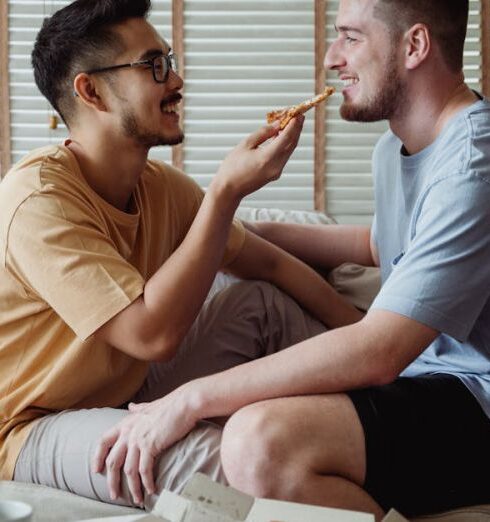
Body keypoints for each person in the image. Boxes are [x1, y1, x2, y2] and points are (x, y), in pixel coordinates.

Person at [94, 0, 490, 519]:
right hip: (425, 382)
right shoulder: (395, 150)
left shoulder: (473, 164)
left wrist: (188, 400)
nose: (330, 58)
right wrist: (243, 232)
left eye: (350, 37)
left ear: (414, 46)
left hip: (474, 401)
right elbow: (383, 245)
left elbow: (380, 351)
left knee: (257, 443)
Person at [0, 0, 364, 511]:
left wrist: (381, 345)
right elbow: (152, 335)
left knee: (259, 301)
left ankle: (384, 418)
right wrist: (224, 193)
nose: (176, 80)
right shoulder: (37, 201)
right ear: (91, 91)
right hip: (32, 422)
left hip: (128, 387)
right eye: (154, 66)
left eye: (168, 60)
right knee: (221, 463)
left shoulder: (162, 188)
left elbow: (270, 263)